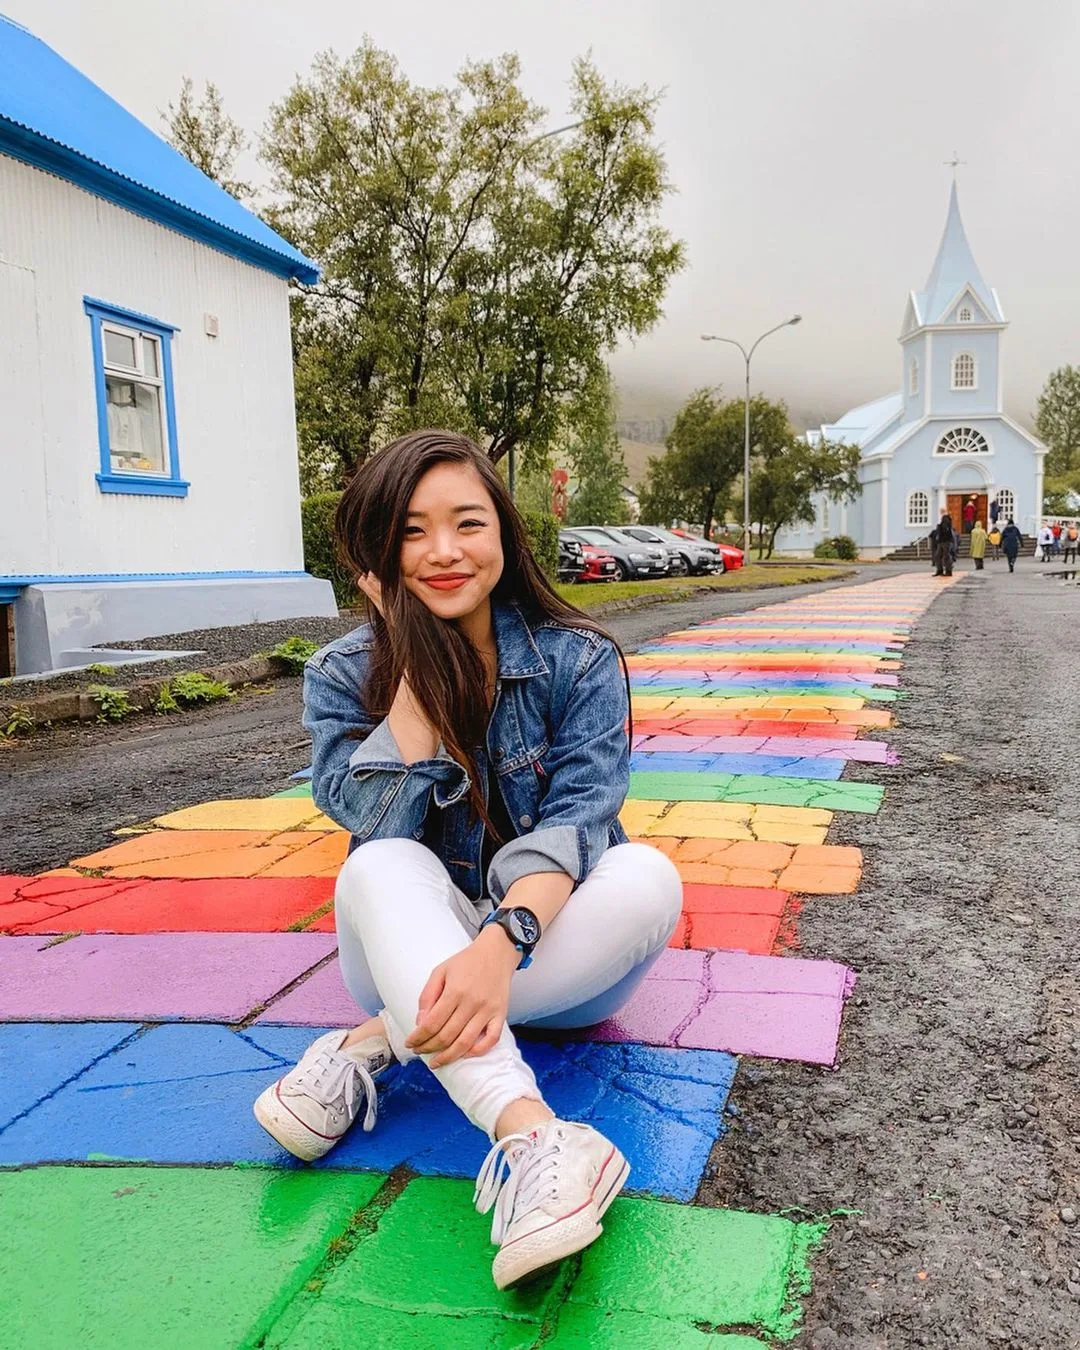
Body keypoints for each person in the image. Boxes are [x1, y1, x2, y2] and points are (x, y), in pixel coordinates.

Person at [252, 430, 682, 1291]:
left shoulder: (580, 659)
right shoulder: (343, 673)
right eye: (411, 531)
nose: (443, 553)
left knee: (648, 876)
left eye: (467, 524)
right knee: (375, 867)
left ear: (504, 535)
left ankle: (378, 1044)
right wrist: (411, 663)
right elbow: (371, 819)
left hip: (556, 966)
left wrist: (499, 944)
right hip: (403, 951)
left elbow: (577, 820)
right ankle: (534, 1134)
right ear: (377, 551)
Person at [931, 510, 956, 576]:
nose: (940, 512)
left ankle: (948, 570)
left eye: (942, 511)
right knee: (938, 556)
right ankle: (940, 570)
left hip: (946, 541)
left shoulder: (945, 518)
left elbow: (945, 529)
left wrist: (941, 532)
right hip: (941, 541)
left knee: (946, 556)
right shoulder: (943, 519)